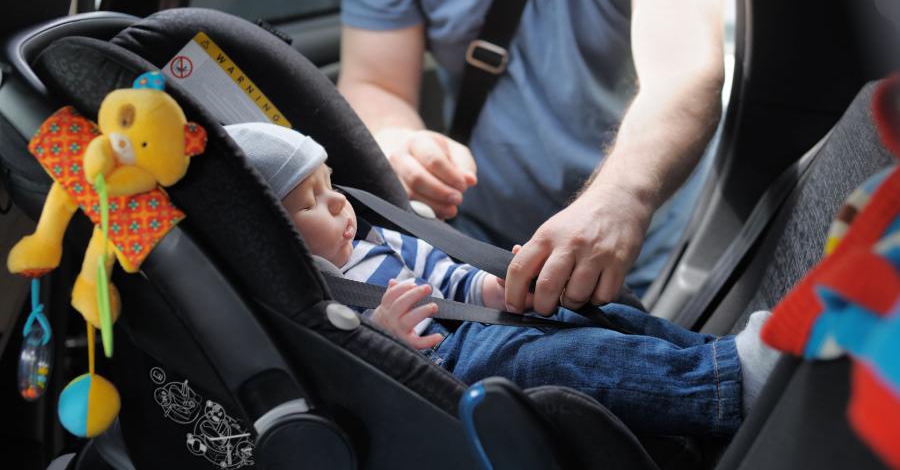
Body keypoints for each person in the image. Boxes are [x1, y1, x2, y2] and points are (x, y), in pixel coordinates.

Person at [336, 0, 732, 314]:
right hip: (481, 247)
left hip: (645, 244)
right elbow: (374, 82)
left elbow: (684, 74)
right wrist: (399, 141)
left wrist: (622, 198)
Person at [224, 123, 778, 436]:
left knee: (599, 318)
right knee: (556, 362)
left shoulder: (377, 241)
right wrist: (388, 334)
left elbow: (445, 275)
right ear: (275, 235)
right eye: (312, 202)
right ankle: (723, 389)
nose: (340, 203)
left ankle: (720, 357)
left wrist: (496, 289)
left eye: (330, 185)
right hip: (449, 364)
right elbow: (357, 366)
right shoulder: (316, 298)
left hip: (480, 323)